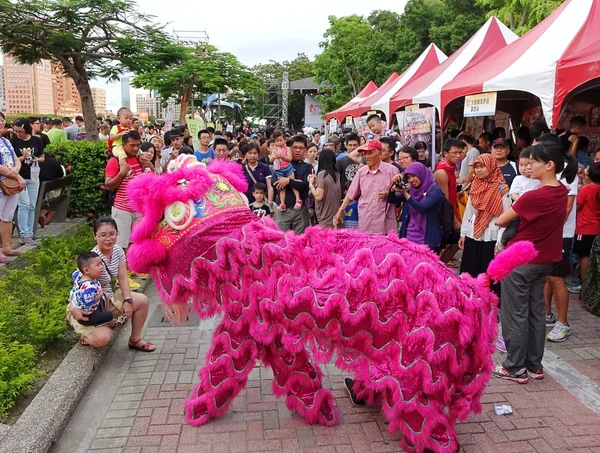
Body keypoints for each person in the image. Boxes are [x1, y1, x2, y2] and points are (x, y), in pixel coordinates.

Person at [493, 140, 577, 383]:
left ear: (549, 165)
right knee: (536, 312)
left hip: (520, 260)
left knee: (515, 313)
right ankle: (534, 365)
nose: (529, 166)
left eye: (534, 162)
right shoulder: (561, 191)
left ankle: (514, 368)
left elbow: (501, 221)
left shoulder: (534, 196)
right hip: (545, 259)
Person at [67, 217, 155, 350]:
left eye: (112, 234)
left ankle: (135, 340)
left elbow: (123, 277)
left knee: (142, 300)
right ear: (95, 236)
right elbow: (77, 287)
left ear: (117, 233)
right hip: (89, 308)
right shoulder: (92, 259)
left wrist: (127, 300)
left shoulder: (118, 250)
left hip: (108, 300)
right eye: (103, 235)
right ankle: (83, 331)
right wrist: (74, 308)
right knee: (102, 339)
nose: (108, 239)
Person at [458, 154, 511, 294]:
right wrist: (463, 233)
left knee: (488, 269)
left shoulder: (502, 188)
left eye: (483, 167)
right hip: (473, 231)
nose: (479, 170)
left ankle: (489, 302)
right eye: (477, 167)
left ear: (491, 167)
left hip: (492, 233)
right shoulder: (475, 184)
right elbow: (469, 211)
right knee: (470, 266)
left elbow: (505, 216)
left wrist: (500, 242)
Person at [544, 153, 579, 343]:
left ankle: (563, 323)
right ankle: (547, 314)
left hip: (561, 234)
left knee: (556, 277)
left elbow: (566, 208)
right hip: (549, 233)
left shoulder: (568, 175)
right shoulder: (549, 174)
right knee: (547, 275)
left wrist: (553, 228)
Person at [333, 140, 399, 234]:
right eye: (365, 154)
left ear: (379, 153)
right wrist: (340, 211)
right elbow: (351, 193)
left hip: (385, 222)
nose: (367, 157)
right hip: (366, 220)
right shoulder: (361, 172)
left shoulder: (392, 171)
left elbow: (400, 193)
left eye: (370, 153)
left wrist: (389, 194)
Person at [104, 131, 149, 252]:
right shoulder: (115, 161)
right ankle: (122, 270)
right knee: (120, 246)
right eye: (132, 145)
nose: (136, 148)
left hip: (139, 209)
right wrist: (121, 173)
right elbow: (108, 185)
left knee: (136, 243)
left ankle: (132, 269)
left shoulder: (140, 159)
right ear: (123, 145)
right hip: (122, 210)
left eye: (138, 145)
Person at [391, 162, 444, 250]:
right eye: (408, 177)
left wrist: (405, 193)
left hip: (427, 236)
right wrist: (392, 188)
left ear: (421, 174)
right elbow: (392, 199)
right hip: (410, 234)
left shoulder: (435, 190)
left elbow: (421, 208)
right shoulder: (411, 190)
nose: (411, 180)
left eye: (414, 176)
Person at [11, 118, 45, 246]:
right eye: (16, 131)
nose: (18, 134)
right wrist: (23, 157)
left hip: (34, 175)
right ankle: (24, 234)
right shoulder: (13, 142)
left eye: (20, 131)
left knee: (32, 205)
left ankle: (30, 232)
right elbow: (12, 161)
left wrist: (36, 158)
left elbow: (42, 156)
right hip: (20, 176)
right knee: (24, 204)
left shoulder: (36, 140)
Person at [70, 252, 126, 327]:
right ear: (86, 270)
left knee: (104, 300)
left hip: (87, 305)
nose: (101, 267)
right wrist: (100, 294)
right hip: (88, 315)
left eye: (101, 263)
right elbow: (89, 302)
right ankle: (110, 323)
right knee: (109, 315)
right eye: (98, 265)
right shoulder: (89, 288)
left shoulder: (79, 276)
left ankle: (105, 314)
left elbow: (74, 275)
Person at [272, 135, 312, 234]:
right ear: (290, 148)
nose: (297, 150)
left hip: (300, 211)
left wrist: (288, 181)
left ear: (305, 150)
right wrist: (295, 182)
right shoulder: (280, 164)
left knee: (300, 242)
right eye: (295, 147)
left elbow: (306, 186)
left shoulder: (307, 167)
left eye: (301, 148)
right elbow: (274, 183)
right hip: (283, 210)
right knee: (280, 241)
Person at [434, 139, 465, 264]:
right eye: (455, 153)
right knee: (443, 245)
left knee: (454, 243)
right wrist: (454, 220)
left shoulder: (451, 168)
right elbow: (445, 201)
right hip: (443, 215)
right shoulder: (442, 172)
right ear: (445, 153)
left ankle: (440, 267)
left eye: (460, 152)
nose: (458, 156)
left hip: (451, 212)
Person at [573, 162, 600, 297]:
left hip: (585, 228)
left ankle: (584, 286)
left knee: (584, 257)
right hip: (597, 228)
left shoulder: (587, 189)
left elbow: (577, 207)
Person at [0, 136, 26, 262]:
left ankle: (6, 247)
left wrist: (15, 171)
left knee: (7, 216)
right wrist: (15, 175)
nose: (1, 122)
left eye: (2, 119)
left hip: (10, 182)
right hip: (4, 181)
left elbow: (16, 159)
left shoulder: (5, 140)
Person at [307, 149, 342, 228]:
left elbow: (318, 196)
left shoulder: (322, 174)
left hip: (325, 215)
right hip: (336, 214)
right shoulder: (337, 174)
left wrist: (311, 184)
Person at [270, 130, 301, 211]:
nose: (279, 142)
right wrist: (274, 157)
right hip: (279, 170)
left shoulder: (287, 149)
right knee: (281, 188)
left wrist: (281, 156)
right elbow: (271, 159)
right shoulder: (275, 150)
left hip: (288, 168)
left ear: (285, 140)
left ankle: (298, 199)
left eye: (281, 140)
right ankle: (282, 203)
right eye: (277, 141)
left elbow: (289, 158)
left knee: (292, 182)